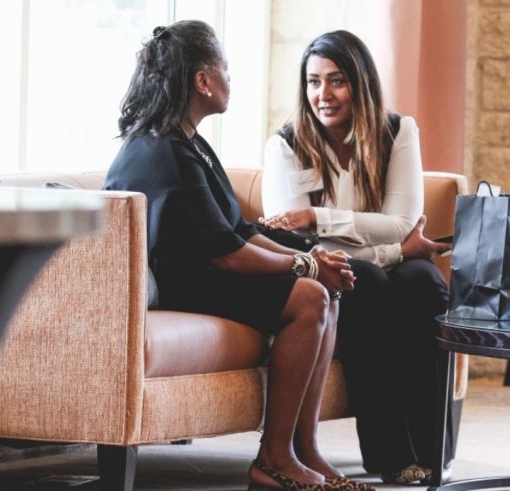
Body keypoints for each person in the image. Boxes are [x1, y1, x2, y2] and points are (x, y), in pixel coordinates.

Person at [104, 21, 372, 491]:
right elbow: (227, 255)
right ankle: (272, 459)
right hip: (182, 285)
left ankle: (303, 449)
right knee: (309, 298)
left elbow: (240, 229)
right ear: (203, 81)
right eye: (225, 69)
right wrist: (307, 265)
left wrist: (315, 261)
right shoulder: (164, 151)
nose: (232, 78)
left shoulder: (189, 143)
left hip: (205, 273)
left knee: (323, 294)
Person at [260, 30, 451, 485]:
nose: (322, 95)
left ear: (360, 83)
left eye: (336, 80)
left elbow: (403, 222)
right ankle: (392, 456)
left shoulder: (397, 131)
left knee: (422, 282)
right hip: (326, 276)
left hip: (377, 267)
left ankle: (431, 452)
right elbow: (302, 246)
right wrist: (392, 251)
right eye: (313, 82)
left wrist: (319, 215)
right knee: (367, 279)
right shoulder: (285, 146)